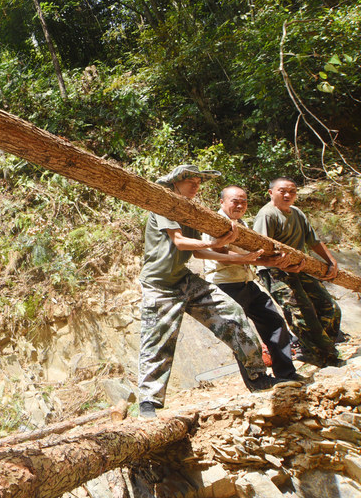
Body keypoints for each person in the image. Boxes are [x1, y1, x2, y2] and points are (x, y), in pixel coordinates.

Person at [137, 165, 284, 419]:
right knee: (157, 341)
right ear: (175, 183)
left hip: (184, 279)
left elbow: (198, 252)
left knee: (233, 314)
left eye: (198, 182)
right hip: (158, 285)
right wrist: (214, 242)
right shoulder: (164, 205)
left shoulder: (192, 211)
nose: (196, 185)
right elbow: (180, 242)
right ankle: (148, 402)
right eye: (190, 181)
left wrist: (240, 258)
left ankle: (258, 378)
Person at [202, 186, 301, 382]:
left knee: (274, 322)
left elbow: (254, 252)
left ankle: (286, 374)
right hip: (226, 285)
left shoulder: (242, 223)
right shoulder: (215, 222)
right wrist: (258, 260)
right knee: (241, 333)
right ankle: (257, 381)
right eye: (235, 201)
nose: (240, 205)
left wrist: (273, 259)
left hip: (247, 282)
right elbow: (220, 254)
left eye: (244, 202)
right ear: (222, 202)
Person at [253, 177, 343, 368]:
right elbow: (260, 247)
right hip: (273, 271)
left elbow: (314, 241)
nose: (288, 195)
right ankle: (323, 355)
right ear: (271, 192)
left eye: (292, 191)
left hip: (298, 268)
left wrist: (331, 261)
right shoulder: (267, 215)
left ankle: (313, 346)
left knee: (330, 308)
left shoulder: (297, 213)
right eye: (282, 191)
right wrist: (280, 264)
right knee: (301, 313)